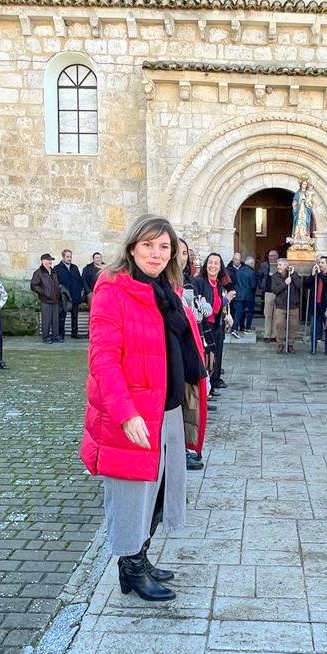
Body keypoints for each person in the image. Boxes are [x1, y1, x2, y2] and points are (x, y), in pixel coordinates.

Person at [80, 214, 208, 602]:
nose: (156, 253)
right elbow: (103, 358)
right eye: (148, 245)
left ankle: (142, 557)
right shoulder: (114, 288)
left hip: (165, 407)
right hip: (132, 413)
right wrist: (126, 413)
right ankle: (130, 569)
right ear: (133, 246)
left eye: (164, 247)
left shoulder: (166, 289)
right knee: (131, 493)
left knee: (159, 488)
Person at [177, 237, 212, 471]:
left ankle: (184, 451)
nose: (182, 257)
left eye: (184, 253)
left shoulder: (186, 282)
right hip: (172, 358)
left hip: (189, 350)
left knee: (187, 407)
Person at [192, 253, 234, 392]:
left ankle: (213, 383)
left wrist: (227, 314)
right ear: (206, 264)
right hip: (204, 326)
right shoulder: (199, 281)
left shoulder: (219, 283)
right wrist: (226, 300)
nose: (213, 266)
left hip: (217, 324)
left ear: (220, 266)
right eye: (210, 262)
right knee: (206, 357)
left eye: (216, 263)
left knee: (216, 354)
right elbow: (209, 306)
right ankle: (206, 389)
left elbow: (219, 306)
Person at [271, 258, 302, 353]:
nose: (278, 267)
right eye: (278, 265)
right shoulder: (275, 276)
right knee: (279, 325)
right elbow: (275, 290)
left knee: (293, 325)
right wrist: (285, 283)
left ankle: (290, 344)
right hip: (280, 304)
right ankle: (280, 344)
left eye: (280, 265)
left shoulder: (294, 274)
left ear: (286, 266)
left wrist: (292, 275)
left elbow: (299, 286)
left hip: (293, 304)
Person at [31, 253, 62, 343]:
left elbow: (56, 283)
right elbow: (33, 285)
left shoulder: (53, 272)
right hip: (45, 300)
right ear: (43, 261)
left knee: (55, 320)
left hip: (55, 299)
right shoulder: (38, 273)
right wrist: (44, 292)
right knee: (46, 319)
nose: (50, 262)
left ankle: (55, 336)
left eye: (51, 260)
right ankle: (46, 337)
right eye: (49, 260)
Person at [55, 249, 86, 340]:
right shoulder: (57, 268)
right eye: (67, 257)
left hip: (75, 296)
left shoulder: (74, 267)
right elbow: (57, 283)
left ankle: (74, 333)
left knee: (75, 316)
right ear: (63, 257)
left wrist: (80, 290)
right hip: (64, 297)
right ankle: (61, 334)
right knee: (62, 316)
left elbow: (79, 280)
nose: (69, 258)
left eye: (70, 257)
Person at [306, 255, 327, 354]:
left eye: (322, 263)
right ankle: (313, 347)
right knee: (314, 328)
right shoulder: (316, 274)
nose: (320, 264)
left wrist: (320, 273)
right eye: (319, 262)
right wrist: (312, 275)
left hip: (325, 305)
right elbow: (307, 285)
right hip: (315, 305)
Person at [232, 256, 257, 338]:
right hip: (248, 295)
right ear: (251, 263)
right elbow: (253, 285)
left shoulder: (238, 271)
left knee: (238, 312)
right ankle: (247, 328)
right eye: (254, 263)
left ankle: (235, 328)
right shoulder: (251, 272)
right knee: (250, 312)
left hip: (238, 295)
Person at [259, 249, 279, 342]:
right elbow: (259, 276)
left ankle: (274, 335)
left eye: (273, 256)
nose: (271, 257)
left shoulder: (280, 265)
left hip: (278, 293)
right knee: (268, 314)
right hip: (268, 292)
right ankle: (267, 335)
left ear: (277, 257)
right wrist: (261, 286)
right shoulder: (264, 265)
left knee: (276, 315)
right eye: (270, 256)